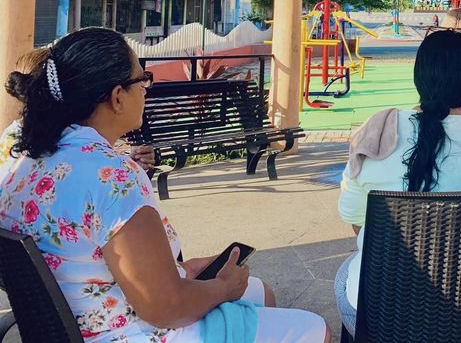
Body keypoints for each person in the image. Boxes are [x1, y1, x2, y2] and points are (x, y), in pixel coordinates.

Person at [0, 28, 329, 343]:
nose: (146, 88)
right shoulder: (112, 176)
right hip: (129, 332)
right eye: (141, 79)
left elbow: (89, 260)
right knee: (313, 329)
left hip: (75, 322)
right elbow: (165, 308)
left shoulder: (22, 161)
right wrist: (222, 289)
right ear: (117, 97)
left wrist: (183, 270)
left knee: (260, 292)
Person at [335, 29, 461, 336]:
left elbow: (357, 221)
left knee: (346, 274)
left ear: (419, 76)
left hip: (388, 316)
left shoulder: (380, 131)